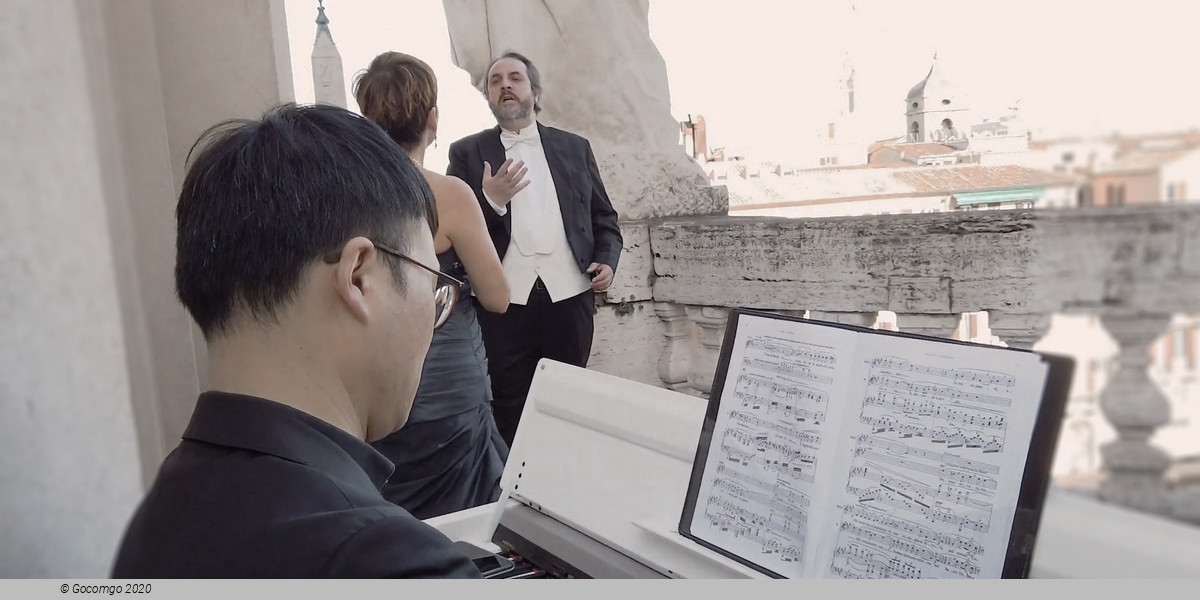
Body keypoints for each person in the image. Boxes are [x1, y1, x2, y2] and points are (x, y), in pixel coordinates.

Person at [111, 103, 481, 578]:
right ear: (360, 277)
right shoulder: (390, 563)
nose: (435, 316)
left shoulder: (163, 508)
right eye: (433, 286)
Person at [352, 51, 511, 519]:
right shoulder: (451, 194)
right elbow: (498, 298)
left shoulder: (340, 199)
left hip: (375, 381)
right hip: (450, 390)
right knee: (473, 525)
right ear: (432, 119)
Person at [447, 51, 623, 448]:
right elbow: (450, 232)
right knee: (508, 405)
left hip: (570, 297)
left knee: (570, 400)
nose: (505, 85)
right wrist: (489, 201)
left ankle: (565, 484)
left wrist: (607, 262)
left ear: (534, 91)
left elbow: (605, 220)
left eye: (515, 78)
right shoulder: (466, 153)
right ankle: (513, 493)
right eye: (495, 81)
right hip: (503, 304)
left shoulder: (575, 148)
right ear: (489, 97)